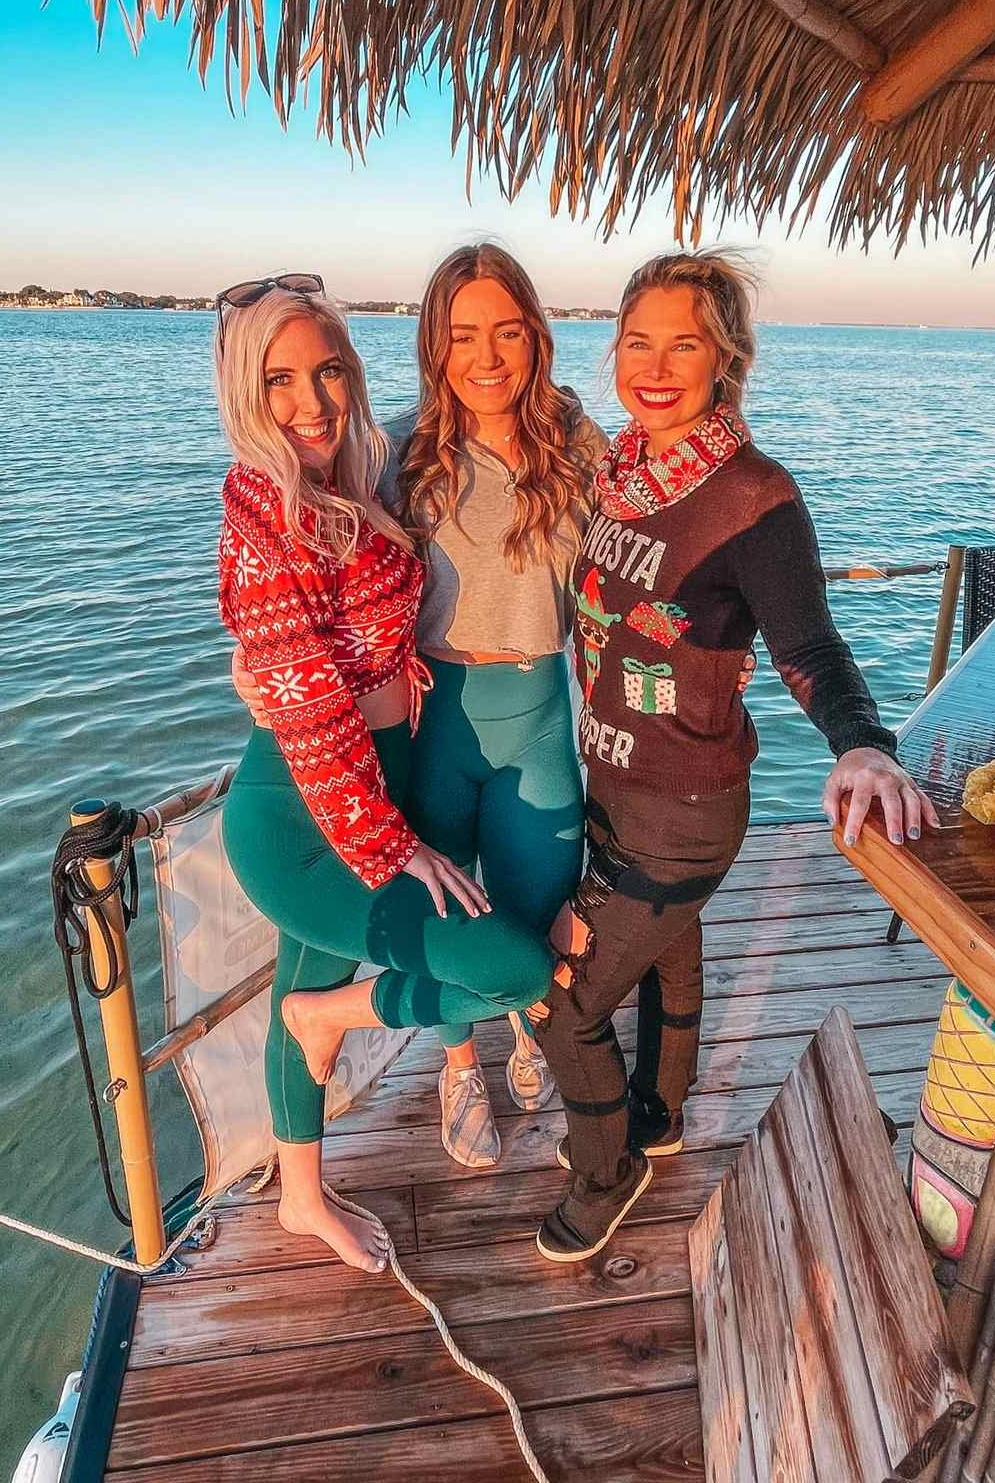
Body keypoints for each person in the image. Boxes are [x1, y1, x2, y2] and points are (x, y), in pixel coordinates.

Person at [530, 250, 940, 1264]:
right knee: (670, 961)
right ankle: (659, 1119)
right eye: (638, 342)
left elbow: (809, 646)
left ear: (728, 359)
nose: (657, 366)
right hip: (615, 787)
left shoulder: (754, 496)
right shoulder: (616, 474)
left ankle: (604, 1172)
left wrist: (863, 745)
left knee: (567, 1002)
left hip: (688, 808)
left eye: (686, 344)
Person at [235, 242, 610, 1168]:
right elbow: (322, 584)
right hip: (435, 723)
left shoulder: (581, 445)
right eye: (462, 335)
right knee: (452, 913)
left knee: (529, 903)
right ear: (432, 346)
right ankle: (455, 1068)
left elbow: (629, 583)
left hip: (536, 712)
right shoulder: (394, 452)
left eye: (508, 332)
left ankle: (523, 1031)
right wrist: (261, 673)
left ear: (538, 337)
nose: (487, 356)